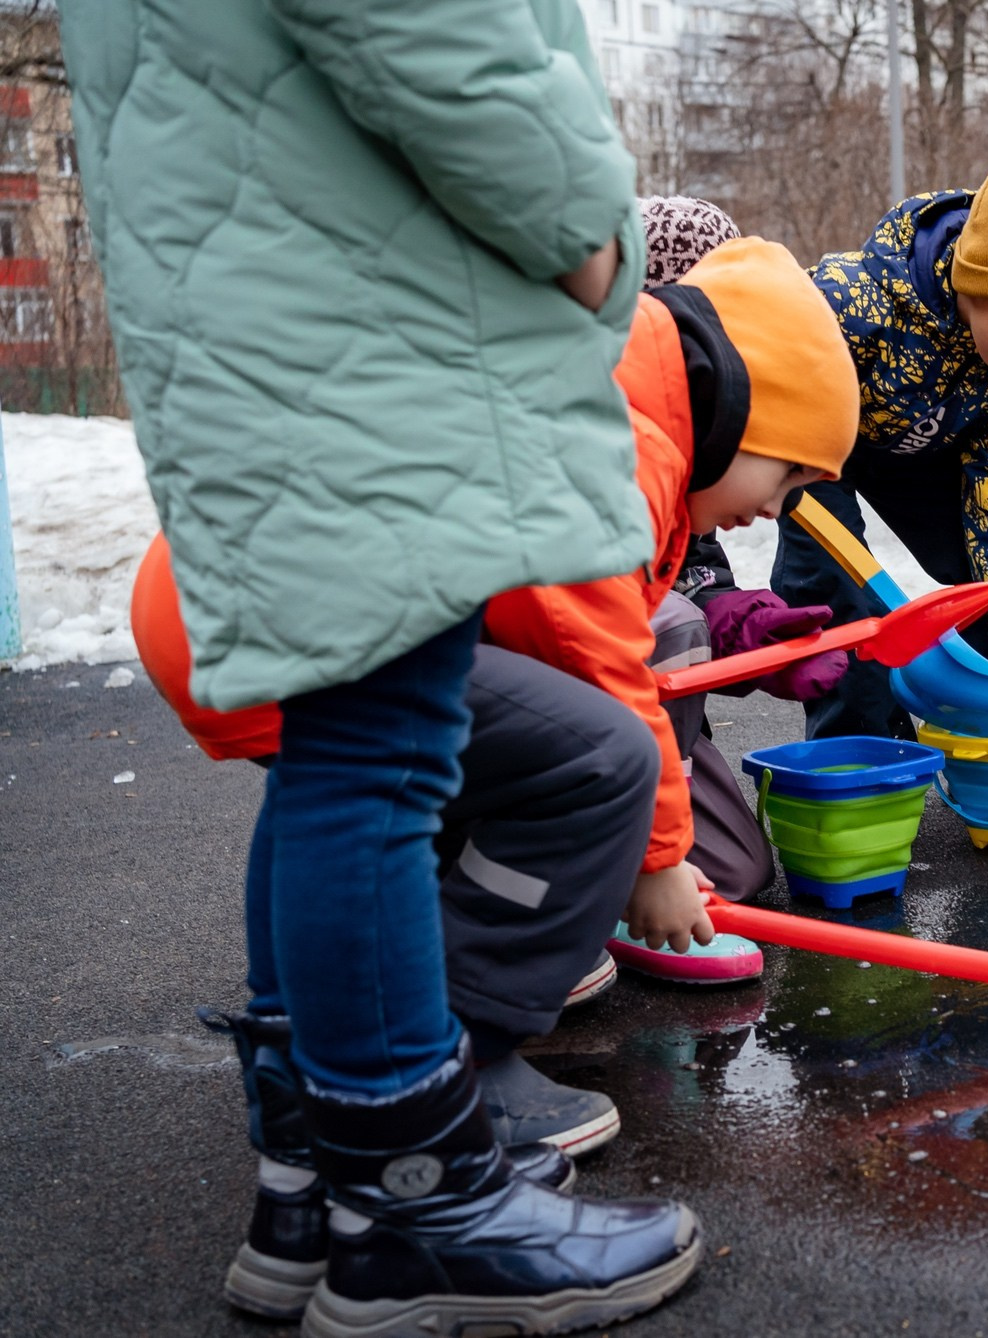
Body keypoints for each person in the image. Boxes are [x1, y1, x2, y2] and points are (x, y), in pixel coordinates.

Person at [61, 0, 701, 1331]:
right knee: (379, 758)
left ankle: (319, 1173)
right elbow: (431, 29)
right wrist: (585, 226)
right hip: (364, 314)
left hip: (285, 293)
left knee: (342, 751)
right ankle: (418, 1195)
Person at [131, 535, 647, 1318]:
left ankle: (305, 1195)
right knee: (390, 751)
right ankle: (413, 1195)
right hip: (313, 575)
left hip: (236, 571)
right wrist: (663, 849)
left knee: (335, 767)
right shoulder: (637, 424)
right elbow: (573, 623)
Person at [485, 235, 861, 929]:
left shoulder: (658, 453)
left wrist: (740, 626)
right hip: (369, 678)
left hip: (403, 664)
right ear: (740, 413)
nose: (779, 509)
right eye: (789, 474)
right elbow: (598, 662)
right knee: (610, 746)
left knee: (728, 865)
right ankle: (486, 964)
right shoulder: (627, 453)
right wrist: (653, 860)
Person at [774, 145, 988, 737]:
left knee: (986, 577)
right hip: (817, 447)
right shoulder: (849, 306)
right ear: (976, 281)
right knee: (841, 589)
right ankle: (866, 747)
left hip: (926, 451)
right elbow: (767, 363)